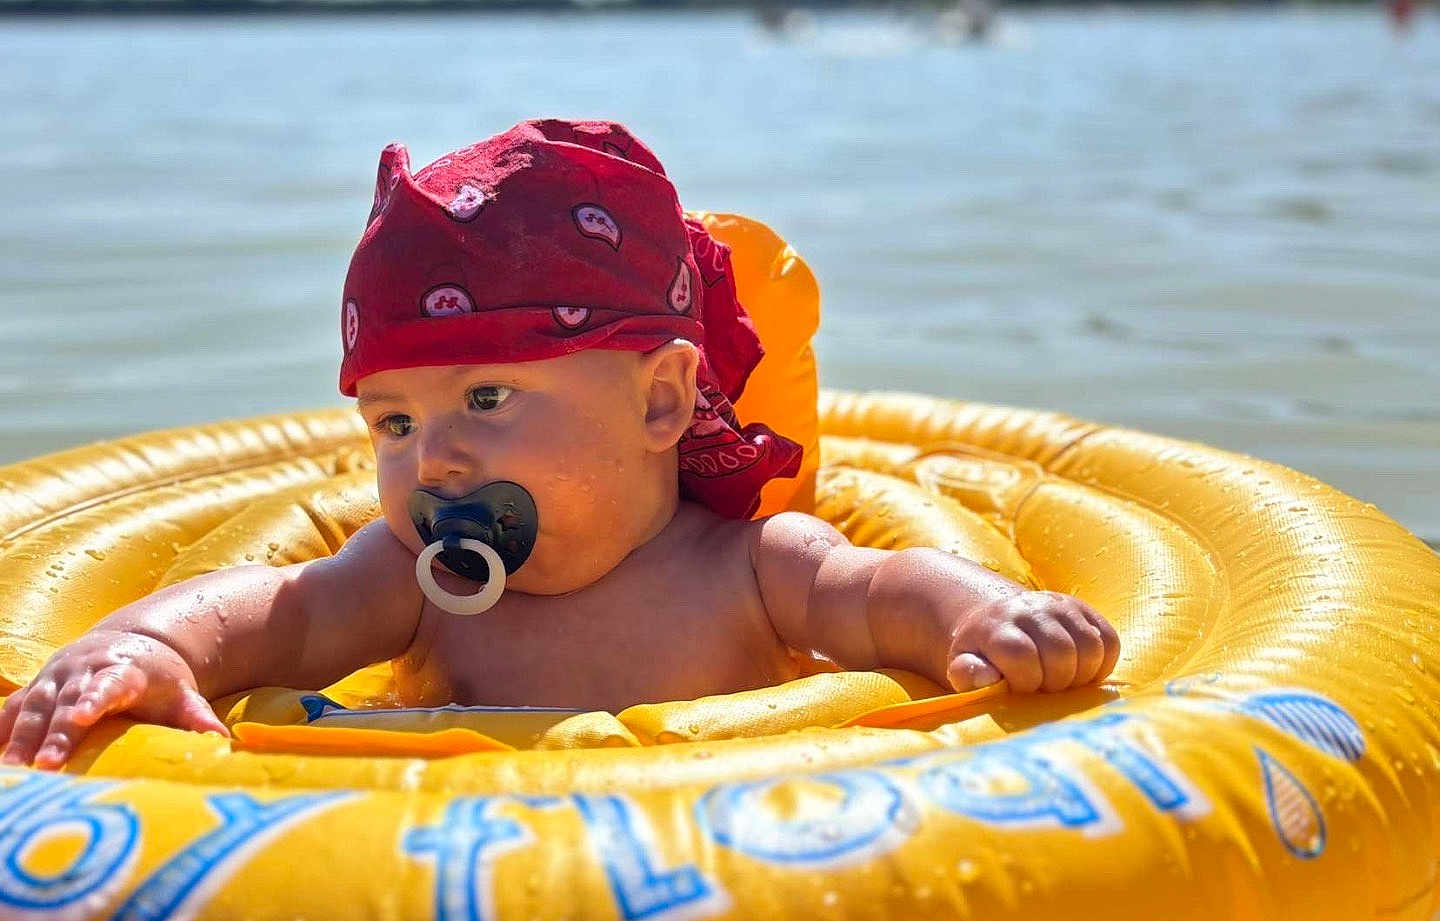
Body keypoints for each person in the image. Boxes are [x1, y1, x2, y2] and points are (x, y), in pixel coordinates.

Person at [0, 118, 1119, 771]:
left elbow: (885, 595)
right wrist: (141, 647)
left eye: (487, 398)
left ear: (661, 402)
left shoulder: (749, 570)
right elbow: (273, 616)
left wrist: (987, 619)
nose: (433, 460)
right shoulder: (416, 581)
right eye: (394, 422)